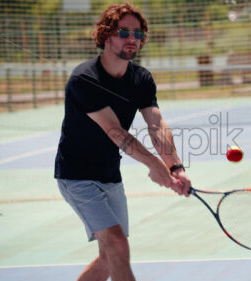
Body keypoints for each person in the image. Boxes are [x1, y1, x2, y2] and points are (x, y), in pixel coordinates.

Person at [54, 3, 191, 281]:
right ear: (106, 36)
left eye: (138, 34)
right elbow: (115, 132)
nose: (132, 39)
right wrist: (153, 164)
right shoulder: (85, 79)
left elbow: (157, 126)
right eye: (124, 32)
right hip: (77, 177)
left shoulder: (141, 79)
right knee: (118, 244)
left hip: (109, 175)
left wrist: (175, 167)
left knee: (109, 258)